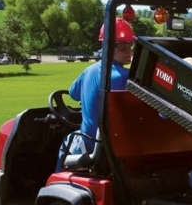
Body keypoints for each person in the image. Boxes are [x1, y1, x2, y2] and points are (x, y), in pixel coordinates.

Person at [56, 17, 136, 171]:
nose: (129, 50)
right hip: (117, 146)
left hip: (93, 145)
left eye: (130, 44)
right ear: (108, 47)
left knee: (67, 142)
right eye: (122, 45)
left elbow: (74, 94)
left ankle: (54, 185)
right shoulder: (129, 77)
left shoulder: (89, 71)